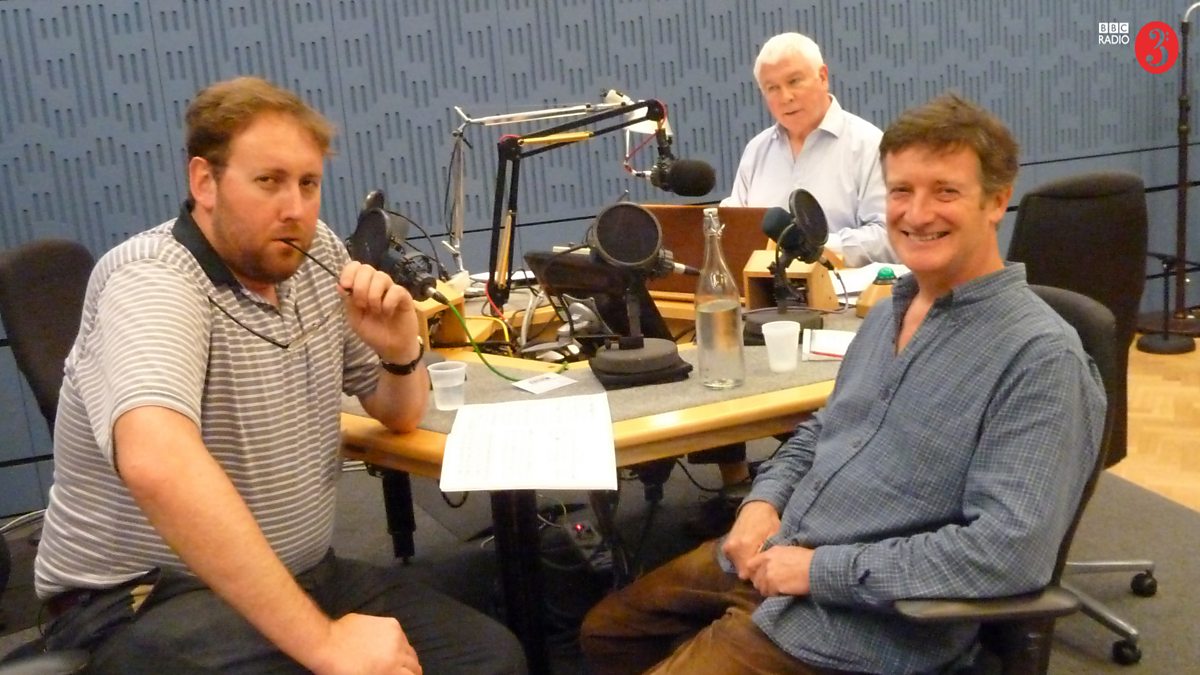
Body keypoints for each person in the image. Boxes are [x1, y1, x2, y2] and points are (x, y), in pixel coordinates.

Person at [581, 93, 1107, 674]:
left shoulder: (1041, 358)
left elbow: (1009, 553)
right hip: (779, 555)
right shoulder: (887, 313)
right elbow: (821, 432)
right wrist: (761, 503)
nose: (917, 213)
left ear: (997, 201)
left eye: (945, 191)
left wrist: (818, 571)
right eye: (901, 190)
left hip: (861, 626)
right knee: (606, 633)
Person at [29, 76, 526, 675]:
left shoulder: (317, 258)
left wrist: (401, 350)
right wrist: (328, 646)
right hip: (142, 600)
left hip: (301, 575)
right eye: (269, 181)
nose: (294, 207)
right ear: (204, 183)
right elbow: (157, 463)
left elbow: (398, 413)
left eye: (307, 183)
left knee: (488, 658)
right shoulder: (151, 279)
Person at [722, 32, 895, 267]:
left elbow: (888, 237)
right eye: (772, 88)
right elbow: (736, 230)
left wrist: (808, 247)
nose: (786, 97)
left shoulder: (869, 145)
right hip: (764, 286)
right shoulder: (756, 150)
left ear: (822, 77)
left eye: (794, 81)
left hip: (842, 287)